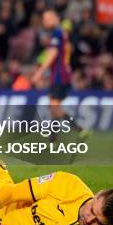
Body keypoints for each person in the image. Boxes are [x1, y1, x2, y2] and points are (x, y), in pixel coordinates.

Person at [31, 10, 85, 138]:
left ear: (55, 18)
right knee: (54, 106)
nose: (44, 22)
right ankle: (53, 138)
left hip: (60, 75)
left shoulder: (57, 33)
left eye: (47, 18)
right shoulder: (61, 34)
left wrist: (39, 72)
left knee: (55, 106)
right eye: (43, 19)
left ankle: (78, 129)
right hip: (61, 73)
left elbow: (53, 53)